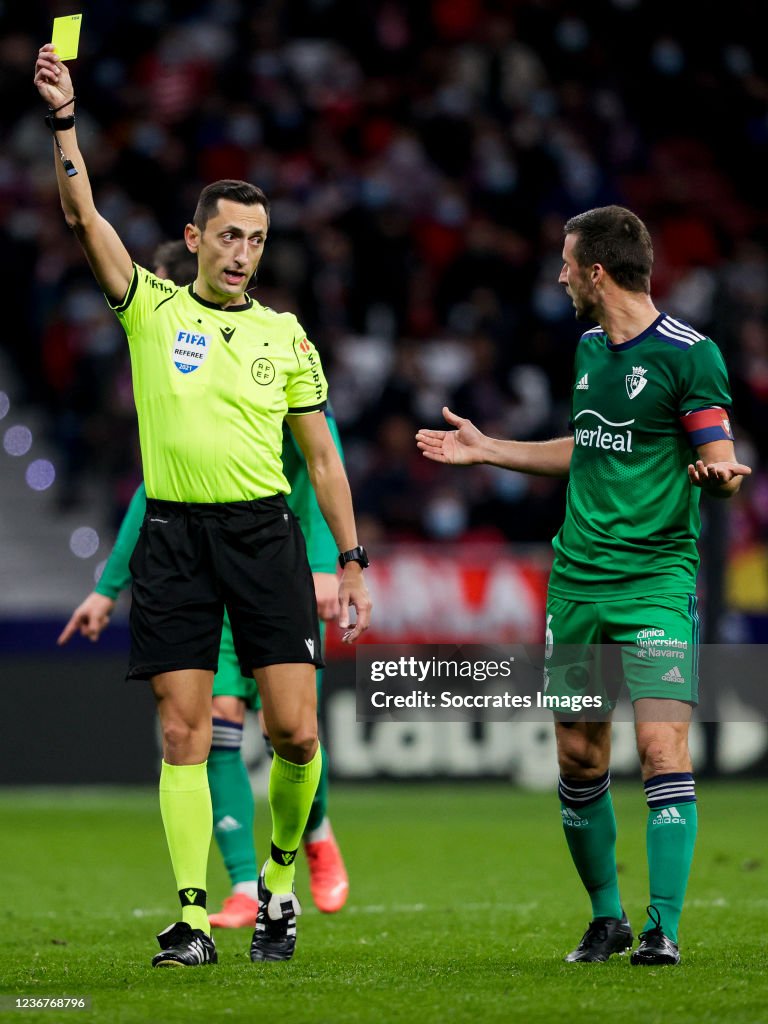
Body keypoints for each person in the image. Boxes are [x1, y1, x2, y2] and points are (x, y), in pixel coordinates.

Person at [35, 44, 371, 969]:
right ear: (194, 240)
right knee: (184, 732)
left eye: (257, 240)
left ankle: (278, 887)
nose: (243, 253)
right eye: (228, 235)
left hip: (264, 537)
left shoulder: (286, 336)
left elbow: (324, 463)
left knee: (295, 731)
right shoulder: (149, 310)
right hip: (177, 539)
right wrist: (65, 122)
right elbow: (81, 215)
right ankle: (191, 918)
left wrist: (350, 559)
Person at [416, 205, 750, 966]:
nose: (560, 274)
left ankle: (663, 927)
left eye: (567, 263)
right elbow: (590, 448)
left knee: (664, 751)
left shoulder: (689, 355)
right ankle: (609, 919)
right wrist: (487, 450)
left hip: (656, 582)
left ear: (597, 270)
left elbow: (717, 452)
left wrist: (720, 480)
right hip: (576, 585)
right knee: (578, 758)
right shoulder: (589, 349)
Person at [59, 241, 350, 924]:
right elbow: (152, 495)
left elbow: (321, 469)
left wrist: (327, 563)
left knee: (293, 731)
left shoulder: (269, 350)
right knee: (217, 724)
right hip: (196, 566)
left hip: (275, 563)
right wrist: (108, 585)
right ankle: (246, 887)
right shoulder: (172, 371)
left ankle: (317, 836)